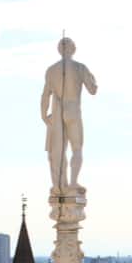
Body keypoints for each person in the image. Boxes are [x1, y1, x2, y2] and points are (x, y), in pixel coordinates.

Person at [41, 37, 97, 192]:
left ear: (59, 50)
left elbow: (45, 95)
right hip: (73, 111)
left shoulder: (51, 70)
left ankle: (60, 183)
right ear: (73, 49)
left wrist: (44, 115)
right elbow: (93, 89)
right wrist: (92, 79)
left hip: (57, 114)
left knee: (59, 150)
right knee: (77, 149)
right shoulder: (80, 67)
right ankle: (73, 182)